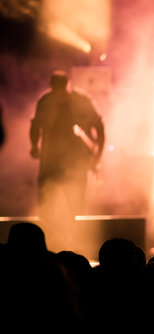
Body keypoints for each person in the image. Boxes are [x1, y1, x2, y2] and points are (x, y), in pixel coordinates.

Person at [29, 70, 105, 245]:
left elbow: (99, 127)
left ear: (68, 86)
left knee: (76, 205)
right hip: (50, 161)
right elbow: (35, 125)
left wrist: (97, 155)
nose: (60, 95)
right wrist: (34, 146)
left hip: (76, 163)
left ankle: (76, 243)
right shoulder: (45, 102)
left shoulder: (82, 101)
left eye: (63, 90)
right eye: (57, 91)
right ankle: (48, 242)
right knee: (46, 205)